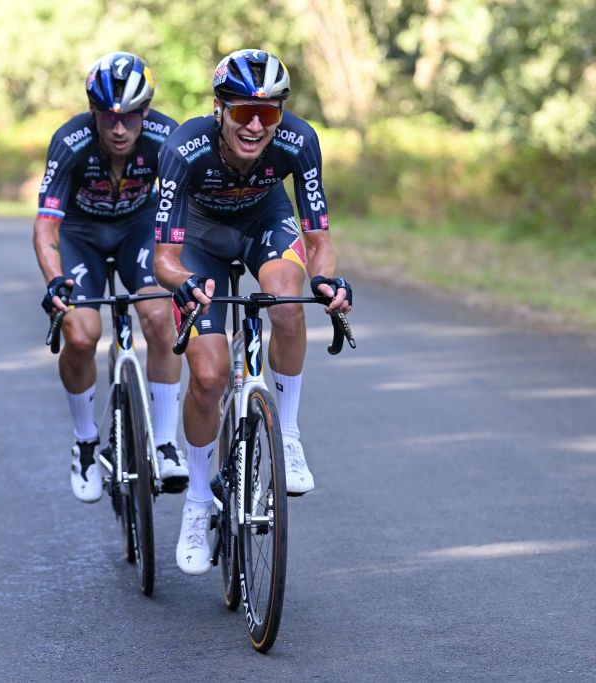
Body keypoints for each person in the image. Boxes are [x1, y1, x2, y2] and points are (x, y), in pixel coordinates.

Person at [153, 49, 353, 575]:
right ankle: (198, 499)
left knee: (288, 305)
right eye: (244, 112)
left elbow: (318, 238)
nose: (257, 125)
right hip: (198, 243)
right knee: (210, 375)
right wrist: (186, 283)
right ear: (219, 109)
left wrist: (327, 280)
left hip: (266, 225)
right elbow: (163, 260)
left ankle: (286, 432)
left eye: (269, 112)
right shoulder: (183, 147)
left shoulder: (299, 140)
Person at [33, 52, 186, 503]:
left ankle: (164, 441)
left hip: (138, 230)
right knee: (81, 334)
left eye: (130, 117)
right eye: (108, 117)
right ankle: (84, 441)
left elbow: (187, 207)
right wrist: (54, 280)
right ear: (94, 112)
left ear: (146, 112)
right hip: (82, 235)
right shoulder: (70, 141)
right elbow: (46, 226)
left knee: (160, 317)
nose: (119, 129)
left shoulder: (166, 136)